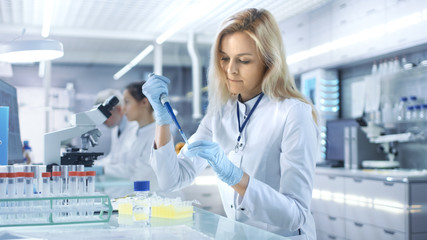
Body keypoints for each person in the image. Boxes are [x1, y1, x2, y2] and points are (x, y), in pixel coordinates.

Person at [143, 8, 319, 239]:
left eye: (244, 60)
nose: (230, 70)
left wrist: (235, 177)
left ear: (269, 62)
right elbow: (171, 180)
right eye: (224, 58)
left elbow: (295, 215)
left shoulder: (293, 113)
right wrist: (162, 118)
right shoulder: (220, 114)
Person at [122, 81, 160, 189]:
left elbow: (141, 174)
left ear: (144, 102)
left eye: (127, 102)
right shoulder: (136, 132)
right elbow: (128, 168)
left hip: (159, 199)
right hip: (141, 195)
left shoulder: (157, 135)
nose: (123, 108)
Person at [94, 89, 138, 180]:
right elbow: (114, 158)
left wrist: (102, 169)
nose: (102, 121)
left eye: (104, 116)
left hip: (131, 187)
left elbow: (132, 168)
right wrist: (95, 165)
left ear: (118, 109)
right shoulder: (115, 128)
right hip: (117, 186)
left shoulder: (135, 129)